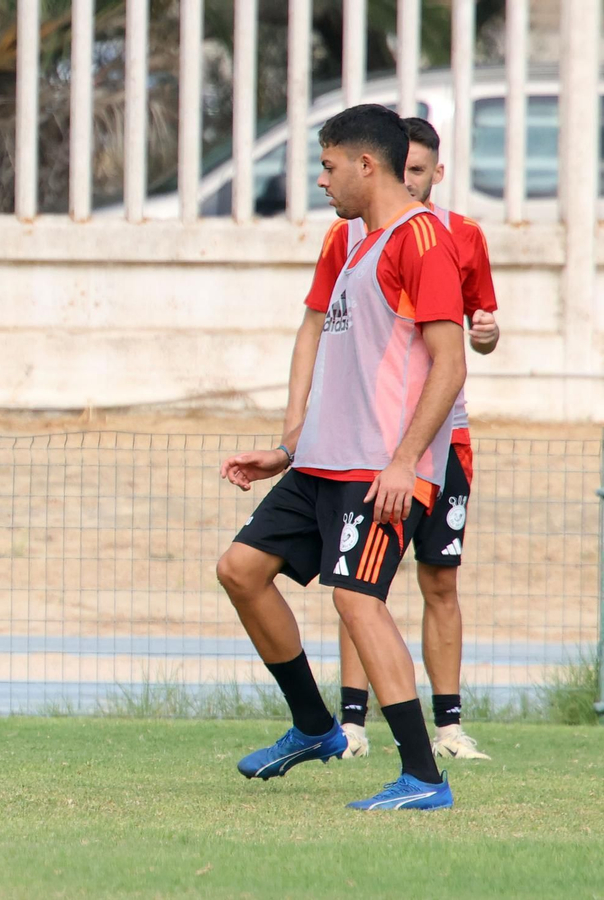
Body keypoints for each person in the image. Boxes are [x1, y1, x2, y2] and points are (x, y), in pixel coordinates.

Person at [215, 104, 466, 810]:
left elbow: (450, 366)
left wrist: (404, 460)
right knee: (240, 570)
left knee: (357, 598)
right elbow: (340, 361)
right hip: (324, 462)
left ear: (366, 164)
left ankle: (422, 777)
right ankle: (314, 728)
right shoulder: (354, 243)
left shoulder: (422, 241)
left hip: (380, 468)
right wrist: (288, 447)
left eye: (327, 166)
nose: (320, 180)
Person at [321, 117, 500, 762]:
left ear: (434, 173)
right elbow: (324, 326)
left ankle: (445, 729)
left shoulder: (456, 237)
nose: (414, 181)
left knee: (438, 580)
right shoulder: (352, 239)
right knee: (358, 586)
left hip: (441, 440)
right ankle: (351, 722)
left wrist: (486, 335)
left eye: (423, 171)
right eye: (408, 169)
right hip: (371, 447)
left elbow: (475, 330)